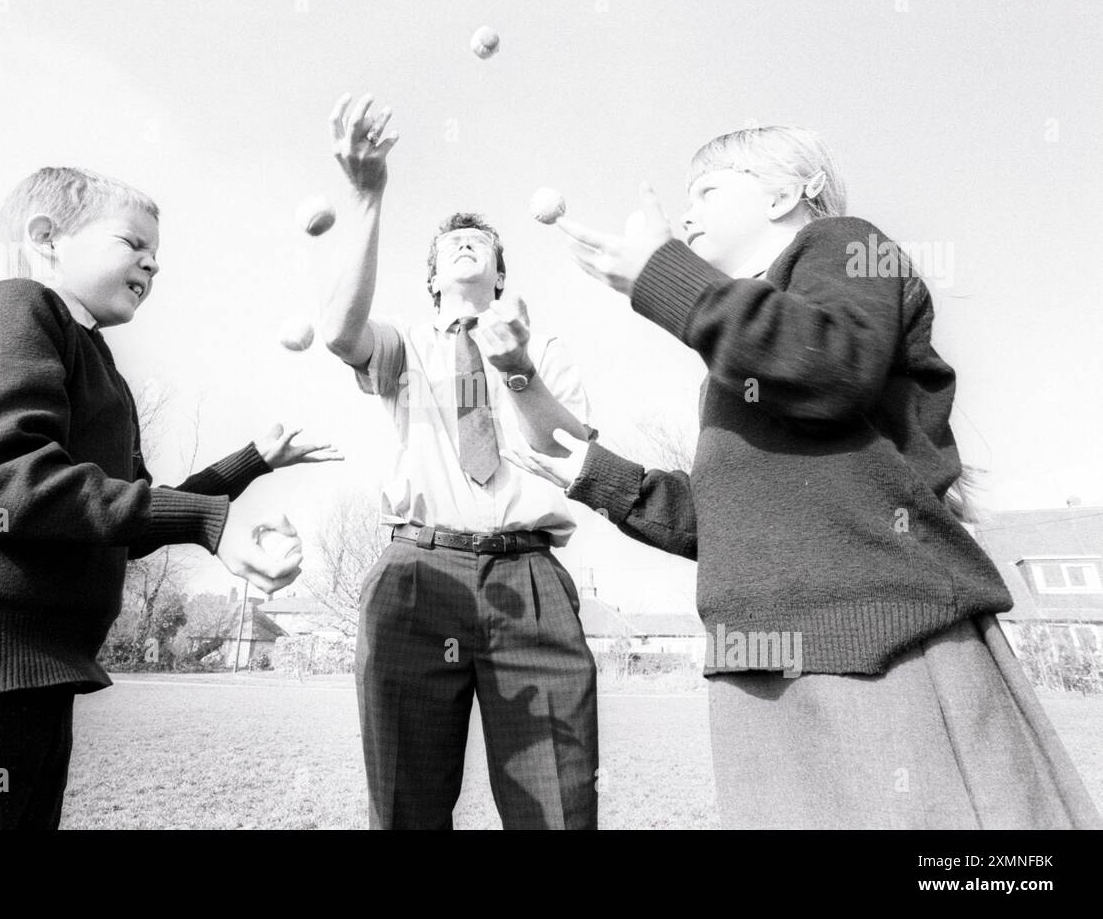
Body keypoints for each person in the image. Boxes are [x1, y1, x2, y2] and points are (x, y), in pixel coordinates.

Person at [508, 125, 1101, 829]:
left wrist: (664, 276)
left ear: (789, 192)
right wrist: (594, 472)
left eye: (707, 188)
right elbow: (727, 521)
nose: (686, 211)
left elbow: (833, 364)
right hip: (762, 666)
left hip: (876, 645)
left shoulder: (849, 243)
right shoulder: (744, 356)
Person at [0, 166, 338, 829]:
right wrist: (207, 521)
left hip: (33, 681)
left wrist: (250, 462)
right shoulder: (14, 304)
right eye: (132, 241)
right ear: (47, 237)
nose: (152, 262)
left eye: (158, 255)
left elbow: (131, 517)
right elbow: (5, 481)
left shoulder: (99, 368)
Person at [321, 93, 599, 829]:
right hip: (417, 575)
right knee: (405, 810)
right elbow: (338, 331)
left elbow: (565, 451)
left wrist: (516, 371)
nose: (466, 243)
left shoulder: (543, 349)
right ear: (434, 277)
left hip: (530, 576)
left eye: (481, 242)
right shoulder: (405, 345)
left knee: (558, 811)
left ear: (501, 276)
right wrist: (367, 196)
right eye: (451, 243)